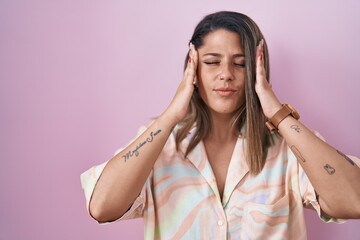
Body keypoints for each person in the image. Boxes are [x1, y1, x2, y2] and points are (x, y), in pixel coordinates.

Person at [80, 11, 360, 239]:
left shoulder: (289, 149)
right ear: (193, 67)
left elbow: (354, 201)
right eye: (212, 62)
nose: (226, 74)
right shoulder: (159, 147)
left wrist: (275, 111)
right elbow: (102, 207)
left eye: (240, 64)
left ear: (256, 70)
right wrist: (172, 114)